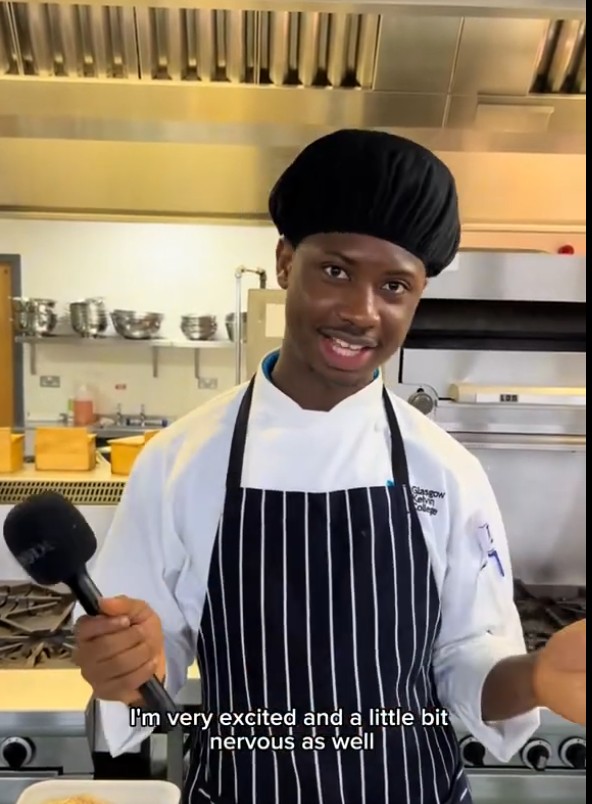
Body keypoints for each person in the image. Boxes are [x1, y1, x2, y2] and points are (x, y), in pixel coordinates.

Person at [73, 129, 586, 804]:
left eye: (395, 286)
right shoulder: (181, 461)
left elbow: (468, 664)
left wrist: (540, 675)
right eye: (336, 270)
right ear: (286, 261)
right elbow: (147, 654)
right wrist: (118, 666)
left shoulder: (446, 472)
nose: (360, 311)